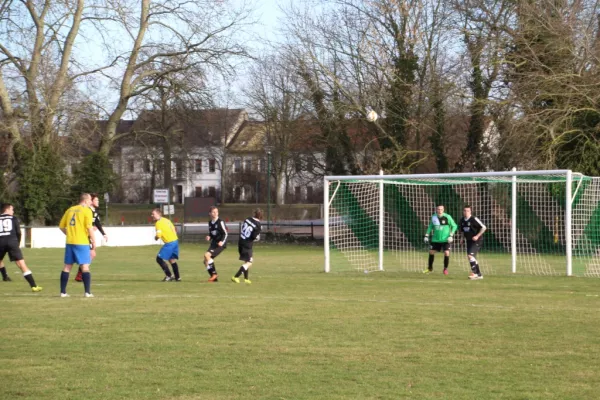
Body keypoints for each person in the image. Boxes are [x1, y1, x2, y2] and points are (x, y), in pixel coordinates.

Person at [59, 193, 95, 297]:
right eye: (90, 200)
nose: (91, 203)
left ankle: (63, 292)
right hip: (82, 242)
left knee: (67, 267)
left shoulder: (70, 210)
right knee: (85, 266)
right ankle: (87, 292)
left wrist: (69, 234)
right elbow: (89, 228)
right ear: (85, 200)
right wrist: (94, 241)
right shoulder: (87, 211)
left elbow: (61, 226)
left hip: (70, 242)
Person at [0, 203, 42, 292]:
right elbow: (18, 232)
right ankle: (33, 286)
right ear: (6, 210)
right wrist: (17, 243)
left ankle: (5, 276)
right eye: (12, 209)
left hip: (0, 242)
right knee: (22, 265)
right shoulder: (13, 218)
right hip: (12, 242)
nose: (13, 211)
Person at [75, 193, 108, 282]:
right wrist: (89, 227)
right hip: (84, 236)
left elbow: (97, 223)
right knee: (91, 254)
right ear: (91, 201)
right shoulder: (86, 210)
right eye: (96, 200)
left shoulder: (94, 212)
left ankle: (80, 274)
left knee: (91, 254)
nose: (98, 202)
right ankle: (81, 274)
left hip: (88, 236)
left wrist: (103, 234)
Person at [424, 204, 458, 275]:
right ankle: (430, 268)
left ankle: (445, 269)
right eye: (438, 209)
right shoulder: (434, 217)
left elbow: (454, 226)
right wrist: (426, 235)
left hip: (445, 240)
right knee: (431, 252)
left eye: (441, 209)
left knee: (446, 252)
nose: (439, 211)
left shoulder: (447, 217)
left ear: (443, 210)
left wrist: (451, 235)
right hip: (436, 239)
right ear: (436, 209)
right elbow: (430, 226)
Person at [232, 208, 263, 284]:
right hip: (247, 245)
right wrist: (257, 237)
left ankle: (246, 279)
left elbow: (243, 228)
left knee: (246, 260)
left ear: (254, 213)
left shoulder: (247, 219)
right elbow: (253, 237)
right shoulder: (258, 225)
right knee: (249, 262)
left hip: (241, 242)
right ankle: (236, 276)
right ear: (261, 216)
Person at [151, 208, 181, 282]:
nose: (152, 215)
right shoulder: (166, 220)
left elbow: (158, 235)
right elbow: (173, 229)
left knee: (159, 259)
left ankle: (169, 275)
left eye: (153, 214)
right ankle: (178, 278)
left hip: (170, 243)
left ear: (158, 214)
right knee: (171, 260)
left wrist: (155, 238)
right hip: (175, 241)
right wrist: (174, 238)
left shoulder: (158, 223)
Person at [459, 205, 486, 280]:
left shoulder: (474, 219)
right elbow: (462, 231)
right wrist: (462, 238)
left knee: (470, 256)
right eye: (464, 210)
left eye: (468, 211)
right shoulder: (462, 220)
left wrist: (477, 236)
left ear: (470, 211)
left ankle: (474, 273)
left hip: (477, 240)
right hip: (469, 241)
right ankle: (479, 274)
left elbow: (484, 227)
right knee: (472, 257)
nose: (466, 212)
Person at [204, 206, 228, 282]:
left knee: (207, 255)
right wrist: (209, 237)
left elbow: (226, 233)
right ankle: (214, 278)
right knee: (205, 261)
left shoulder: (220, 222)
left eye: (216, 212)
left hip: (220, 244)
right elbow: (212, 233)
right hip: (214, 243)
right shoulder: (210, 223)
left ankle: (214, 274)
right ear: (210, 213)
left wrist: (222, 241)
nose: (215, 213)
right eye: (213, 212)